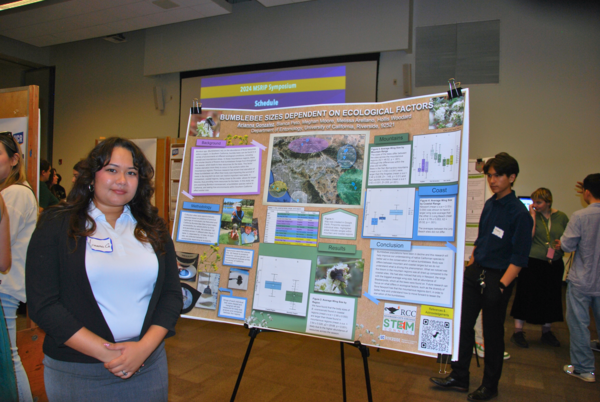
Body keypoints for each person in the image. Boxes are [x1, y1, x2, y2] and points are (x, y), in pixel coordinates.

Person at [26, 137, 183, 402]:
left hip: (147, 366)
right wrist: (109, 353)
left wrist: (143, 349)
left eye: (131, 172)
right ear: (91, 176)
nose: (122, 179)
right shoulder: (56, 223)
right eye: (112, 170)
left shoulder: (153, 226)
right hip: (78, 371)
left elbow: (171, 294)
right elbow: (44, 304)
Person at [430, 152, 533, 401]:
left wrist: (501, 286)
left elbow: (520, 257)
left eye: (498, 175)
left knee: (492, 334)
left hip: (499, 278)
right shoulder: (490, 204)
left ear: (512, 177)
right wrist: (472, 263)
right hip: (475, 274)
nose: (492, 180)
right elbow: (482, 239)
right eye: (489, 175)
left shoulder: (519, 213)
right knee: (463, 326)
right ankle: (459, 376)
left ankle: (490, 386)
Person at [0, 131, 37, 402]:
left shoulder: (13, 193)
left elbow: (3, 244)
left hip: (5, 285)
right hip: (10, 283)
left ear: (14, 159)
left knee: (10, 358)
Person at [510, 188, 569, 348]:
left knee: (551, 297)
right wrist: (533, 217)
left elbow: (567, 236)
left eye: (539, 202)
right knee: (525, 294)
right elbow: (528, 236)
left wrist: (562, 244)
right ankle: (517, 331)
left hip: (553, 262)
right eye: (533, 202)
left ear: (548, 202)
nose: (535, 205)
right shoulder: (531, 216)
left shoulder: (561, 217)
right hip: (533, 261)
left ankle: (547, 331)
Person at [560, 173, 600, 383]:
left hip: (582, 280)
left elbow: (566, 245)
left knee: (579, 324)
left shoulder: (580, 216)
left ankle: (584, 369)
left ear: (586, 192)